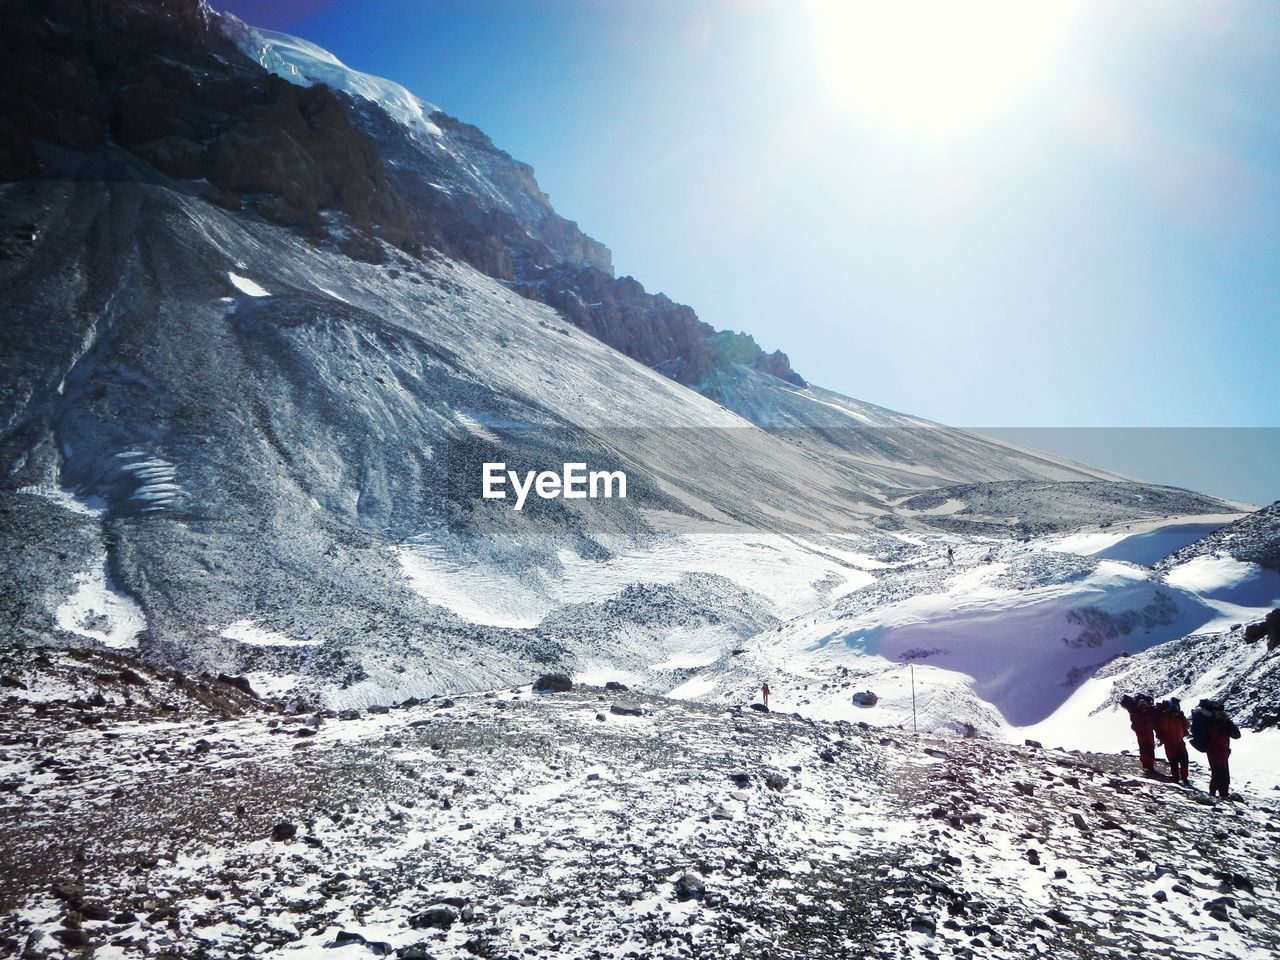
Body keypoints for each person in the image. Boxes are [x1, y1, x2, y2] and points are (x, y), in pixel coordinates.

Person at [1193, 700, 1241, 799]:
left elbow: (1237, 735)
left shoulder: (1219, 723)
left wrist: (1226, 722)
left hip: (1221, 752)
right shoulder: (1213, 724)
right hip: (1216, 752)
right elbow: (1235, 735)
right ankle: (1215, 795)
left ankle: (1220, 795)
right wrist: (1225, 723)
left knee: (1221, 775)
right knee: (1219, 774)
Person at [1153, 698, 1190, 783]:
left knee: (1184, 761)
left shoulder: (1179, 718)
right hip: (1170, 744)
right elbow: (1163, 727)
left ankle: (1184, 777)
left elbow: (1187, 726)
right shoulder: (1165, 717)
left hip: (1179, 742)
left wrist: (1182, 717)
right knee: (1174, 762)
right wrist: (1166, 715)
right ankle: (1176, 778)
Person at [1120, 693, 1157, 774]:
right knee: (1147, 748)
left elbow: (1134, 722)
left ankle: (1148, 765)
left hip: (1143, 733)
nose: (1143, 708)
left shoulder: (1135, 713)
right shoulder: (1141, 713)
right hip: (1145, 733)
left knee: (1146, 748)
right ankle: (1148, 765)